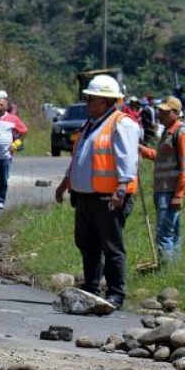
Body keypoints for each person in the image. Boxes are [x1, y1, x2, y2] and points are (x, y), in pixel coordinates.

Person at [54, 74, 140, 310]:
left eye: (91, 99)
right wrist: (64, 184)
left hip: (108, 198)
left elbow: (127, 161)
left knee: (112, 247)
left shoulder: (121, 124)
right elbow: (79, 160)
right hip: (84, 197)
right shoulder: (89, 125)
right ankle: (91, 289)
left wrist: (121, 190)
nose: (87, 103)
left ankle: (115, 295)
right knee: (87, 244)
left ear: (105, 101)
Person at [138, 97, 185, 264]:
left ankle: (165, 270)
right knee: (173, 233)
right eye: (159, 110)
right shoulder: (168, 131)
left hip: (170, 191)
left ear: (176, 113)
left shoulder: (182, 133)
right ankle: (174, 268)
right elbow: (162, 158)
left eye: (164, 111)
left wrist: (179, 194)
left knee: (164, 234)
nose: (159, 114)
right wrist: (144, 151)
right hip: (164, 190)